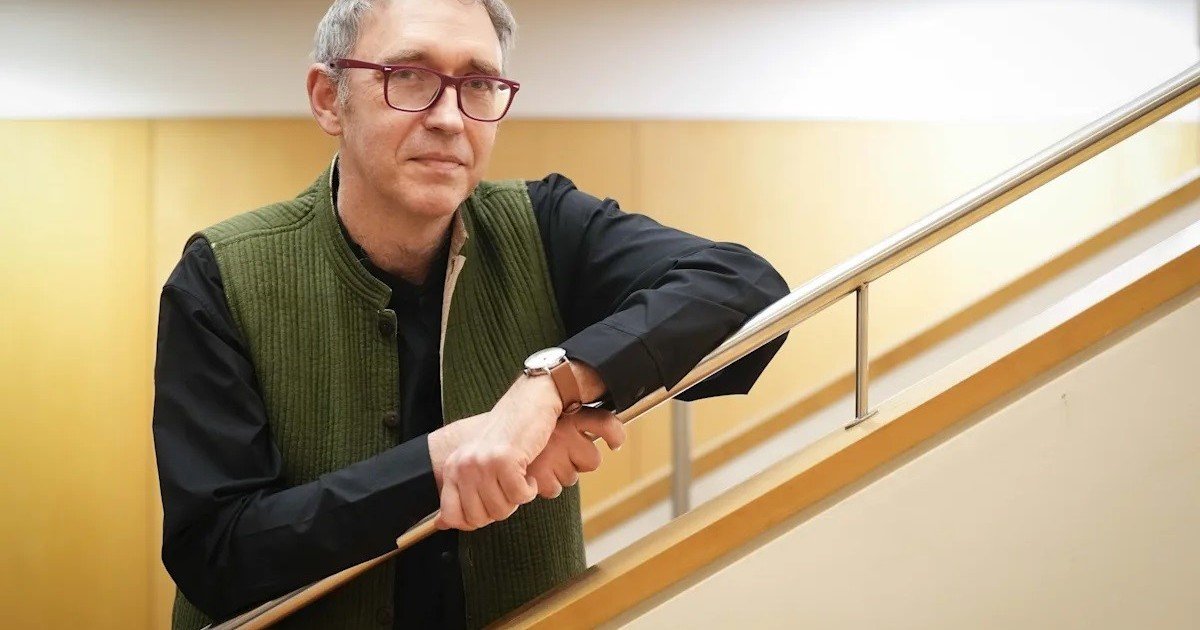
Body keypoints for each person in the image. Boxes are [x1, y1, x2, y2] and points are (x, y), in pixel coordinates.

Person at [152, 0, 789, 628]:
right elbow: (216, 553)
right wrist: (447, 457)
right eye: (409, 76)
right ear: (328, 99)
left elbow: (744, 285)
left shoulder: (547, 225)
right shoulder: (221, 274)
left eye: (479, 84)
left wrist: (553, 385)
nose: (450, 118)